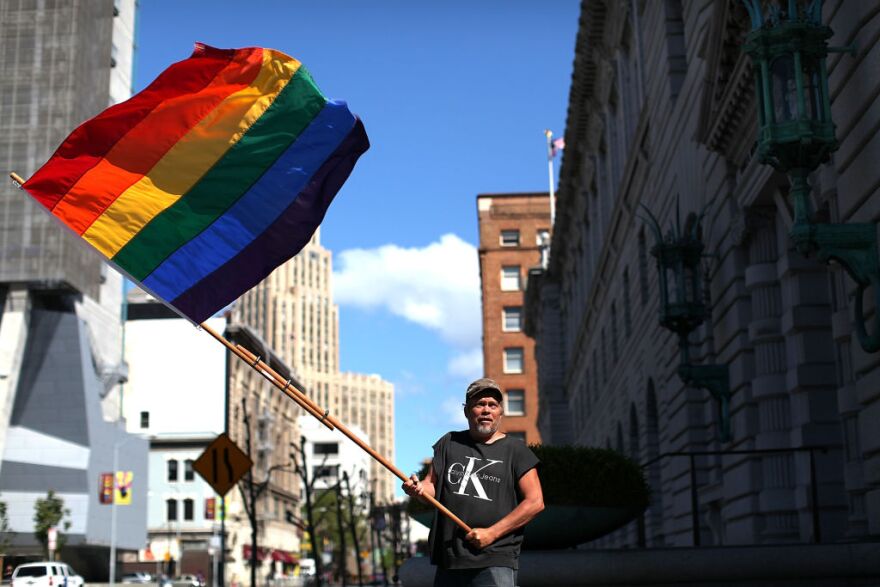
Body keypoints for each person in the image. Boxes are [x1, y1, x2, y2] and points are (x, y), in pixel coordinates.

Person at [402, 378, 544, 587]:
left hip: (495, 559)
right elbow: (431, 486)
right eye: (480, 404)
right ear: (467, 410)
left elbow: (535, 502)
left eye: (492, 405)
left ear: (500, 412)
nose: (486, 410)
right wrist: (418, 489)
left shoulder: (516, 450)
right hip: (450, 558)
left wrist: (491, 533)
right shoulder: (449, 442)